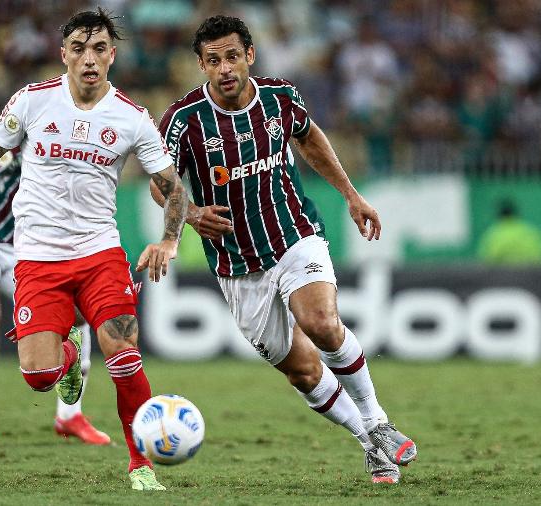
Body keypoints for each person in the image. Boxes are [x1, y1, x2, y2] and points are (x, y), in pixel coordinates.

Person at [0, 9, 188, 491]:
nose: (89, 58)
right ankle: (67, 354)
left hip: (100, 252)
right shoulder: (32, 101)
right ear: (63, 54)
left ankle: (140, 462)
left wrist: (170, 239)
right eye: (79, 49)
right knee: (38, 376)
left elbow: (172, 186)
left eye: (99, 49)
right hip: (38, 257)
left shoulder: (132, 117)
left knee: (124, 351)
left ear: (113, 56)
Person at [151, 15, 417, 484]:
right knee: (303, 372)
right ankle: (370, 445)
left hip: (294, 234)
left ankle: (378, 422)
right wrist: (190, 215)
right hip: (237, 266)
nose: (225, 68)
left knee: (321, 323)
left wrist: (351, 195)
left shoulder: (279, 97)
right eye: (213, 60)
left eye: (232, 56)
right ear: (201, 65)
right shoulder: (183, 120)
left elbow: (310, 138)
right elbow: (161, 183)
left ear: (249, 55)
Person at [0, 149, 111, 449]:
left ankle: (70, 416)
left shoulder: (73, 155)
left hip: (27, 249)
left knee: (78, 314)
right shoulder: (16, 148)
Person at [477, 199, 541, 265]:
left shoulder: (493, 234)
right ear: (516, 213)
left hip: (501, 278)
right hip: (530, 277)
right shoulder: (530, 231)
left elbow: (486, 261)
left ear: (498, 215)